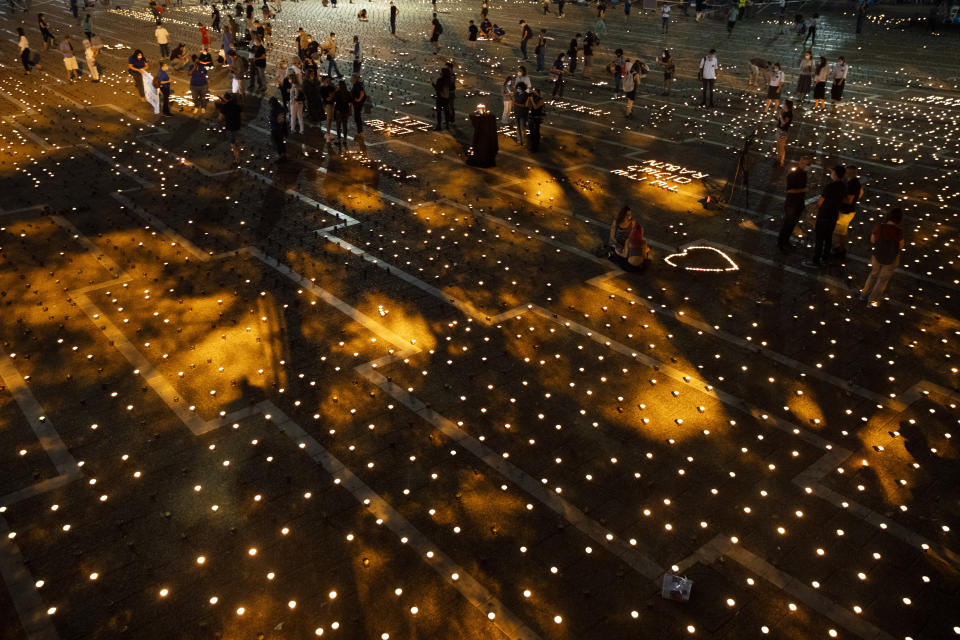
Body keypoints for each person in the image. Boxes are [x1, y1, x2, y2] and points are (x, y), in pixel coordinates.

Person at [803, 165, 846, 268]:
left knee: (819, 239)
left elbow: (821, 201)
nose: (831, 174)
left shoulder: (829, 187)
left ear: (835, 174)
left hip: (824, 215)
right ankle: (825, 258)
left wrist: (816, 208)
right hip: (834, 215)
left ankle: (816, 260)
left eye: (832, 172)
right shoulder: (844, 186)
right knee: (828, 238)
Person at [860, 208, 904, 305]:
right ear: (899, 220)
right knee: (882, 279)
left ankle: (863, 295)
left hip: (877, 255)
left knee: (873, 274)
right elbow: (901, 245)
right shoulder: (898, 231)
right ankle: (872, 299)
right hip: (891, 258)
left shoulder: (879, 227)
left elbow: (872, 240)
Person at [777, 157, 810, 252]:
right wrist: (803, 190)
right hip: (791, 204)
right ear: (799, 162)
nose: (804, 165)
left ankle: (786, 241)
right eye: (802, 162)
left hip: (799, 203)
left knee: (792, 224)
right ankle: (781, 243)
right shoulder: (792, 175)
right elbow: (790, 190)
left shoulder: (804, 174)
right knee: (787, 224)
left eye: (806, 163)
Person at [833, 166, 863, 258]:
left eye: (846, 172)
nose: (844, 174)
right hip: (848, 210)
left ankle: (841, 250)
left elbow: (849, 200)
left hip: (845, 211)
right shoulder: (854, 182)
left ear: (850, 173)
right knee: (842, 231)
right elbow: (861, 192)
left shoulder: (852, 184)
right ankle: (841, 248)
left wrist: (836, 198)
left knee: (841, 232)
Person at [607, 206, 649, 271]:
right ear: (622, 214)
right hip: (616, 242)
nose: (629, 216)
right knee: (624, 254)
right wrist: (618, 245)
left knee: (642, 249)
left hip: (626, 241)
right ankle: (612, 255)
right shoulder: (616, 222)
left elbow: (636, 231)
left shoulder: (632, 222)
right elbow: (612, 236)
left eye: (630, 214)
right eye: (627, 214)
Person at [775, 99, 792, 167]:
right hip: (779, 130)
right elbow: (780, 122)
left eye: (783, 103)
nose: (782, 104)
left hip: (783, 132)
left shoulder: (789, 114)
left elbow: (783, 123)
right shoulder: (784, 112)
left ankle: (781, 161)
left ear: (787, 105)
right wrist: (776, 118)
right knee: (778, 147)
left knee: (781, 147)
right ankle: (778, 159)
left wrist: (780, 115)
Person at [514, 81, 529, 146]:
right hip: (516, 112)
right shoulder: (516, 94)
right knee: (518, 127)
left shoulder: (526, 95)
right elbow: (514, 100)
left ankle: (524, 141)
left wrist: (516, 104)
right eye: (517, 88)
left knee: (522, 127)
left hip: (523, 113)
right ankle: (519, 140)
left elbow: (525, 105)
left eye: (519, 88)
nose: (518, 89)